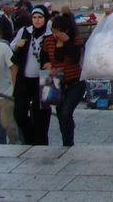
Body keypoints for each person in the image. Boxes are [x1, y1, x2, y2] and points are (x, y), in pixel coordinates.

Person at [39, 15, 84, 147]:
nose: (55, 35)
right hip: (57, 83)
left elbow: (76, 58)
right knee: (61, 116)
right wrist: (47, 65)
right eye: (53, 31)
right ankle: (67, 138)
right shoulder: (48, 41)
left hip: (74, 82)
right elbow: (45, 58)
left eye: (58, 31)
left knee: (65, 112)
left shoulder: (75, 40)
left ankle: (68, 144)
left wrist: (67, 42)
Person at [10, 5, 52, 145]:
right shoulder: (25, 32)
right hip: (25, 79)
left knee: (42, 116)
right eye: (34, 17)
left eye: (40, 17)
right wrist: (19, 46)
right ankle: (29, 139)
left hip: (45, 78)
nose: (37, 20)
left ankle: (41, 143)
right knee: (20, 114)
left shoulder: (50, 33)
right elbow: (13, 47)